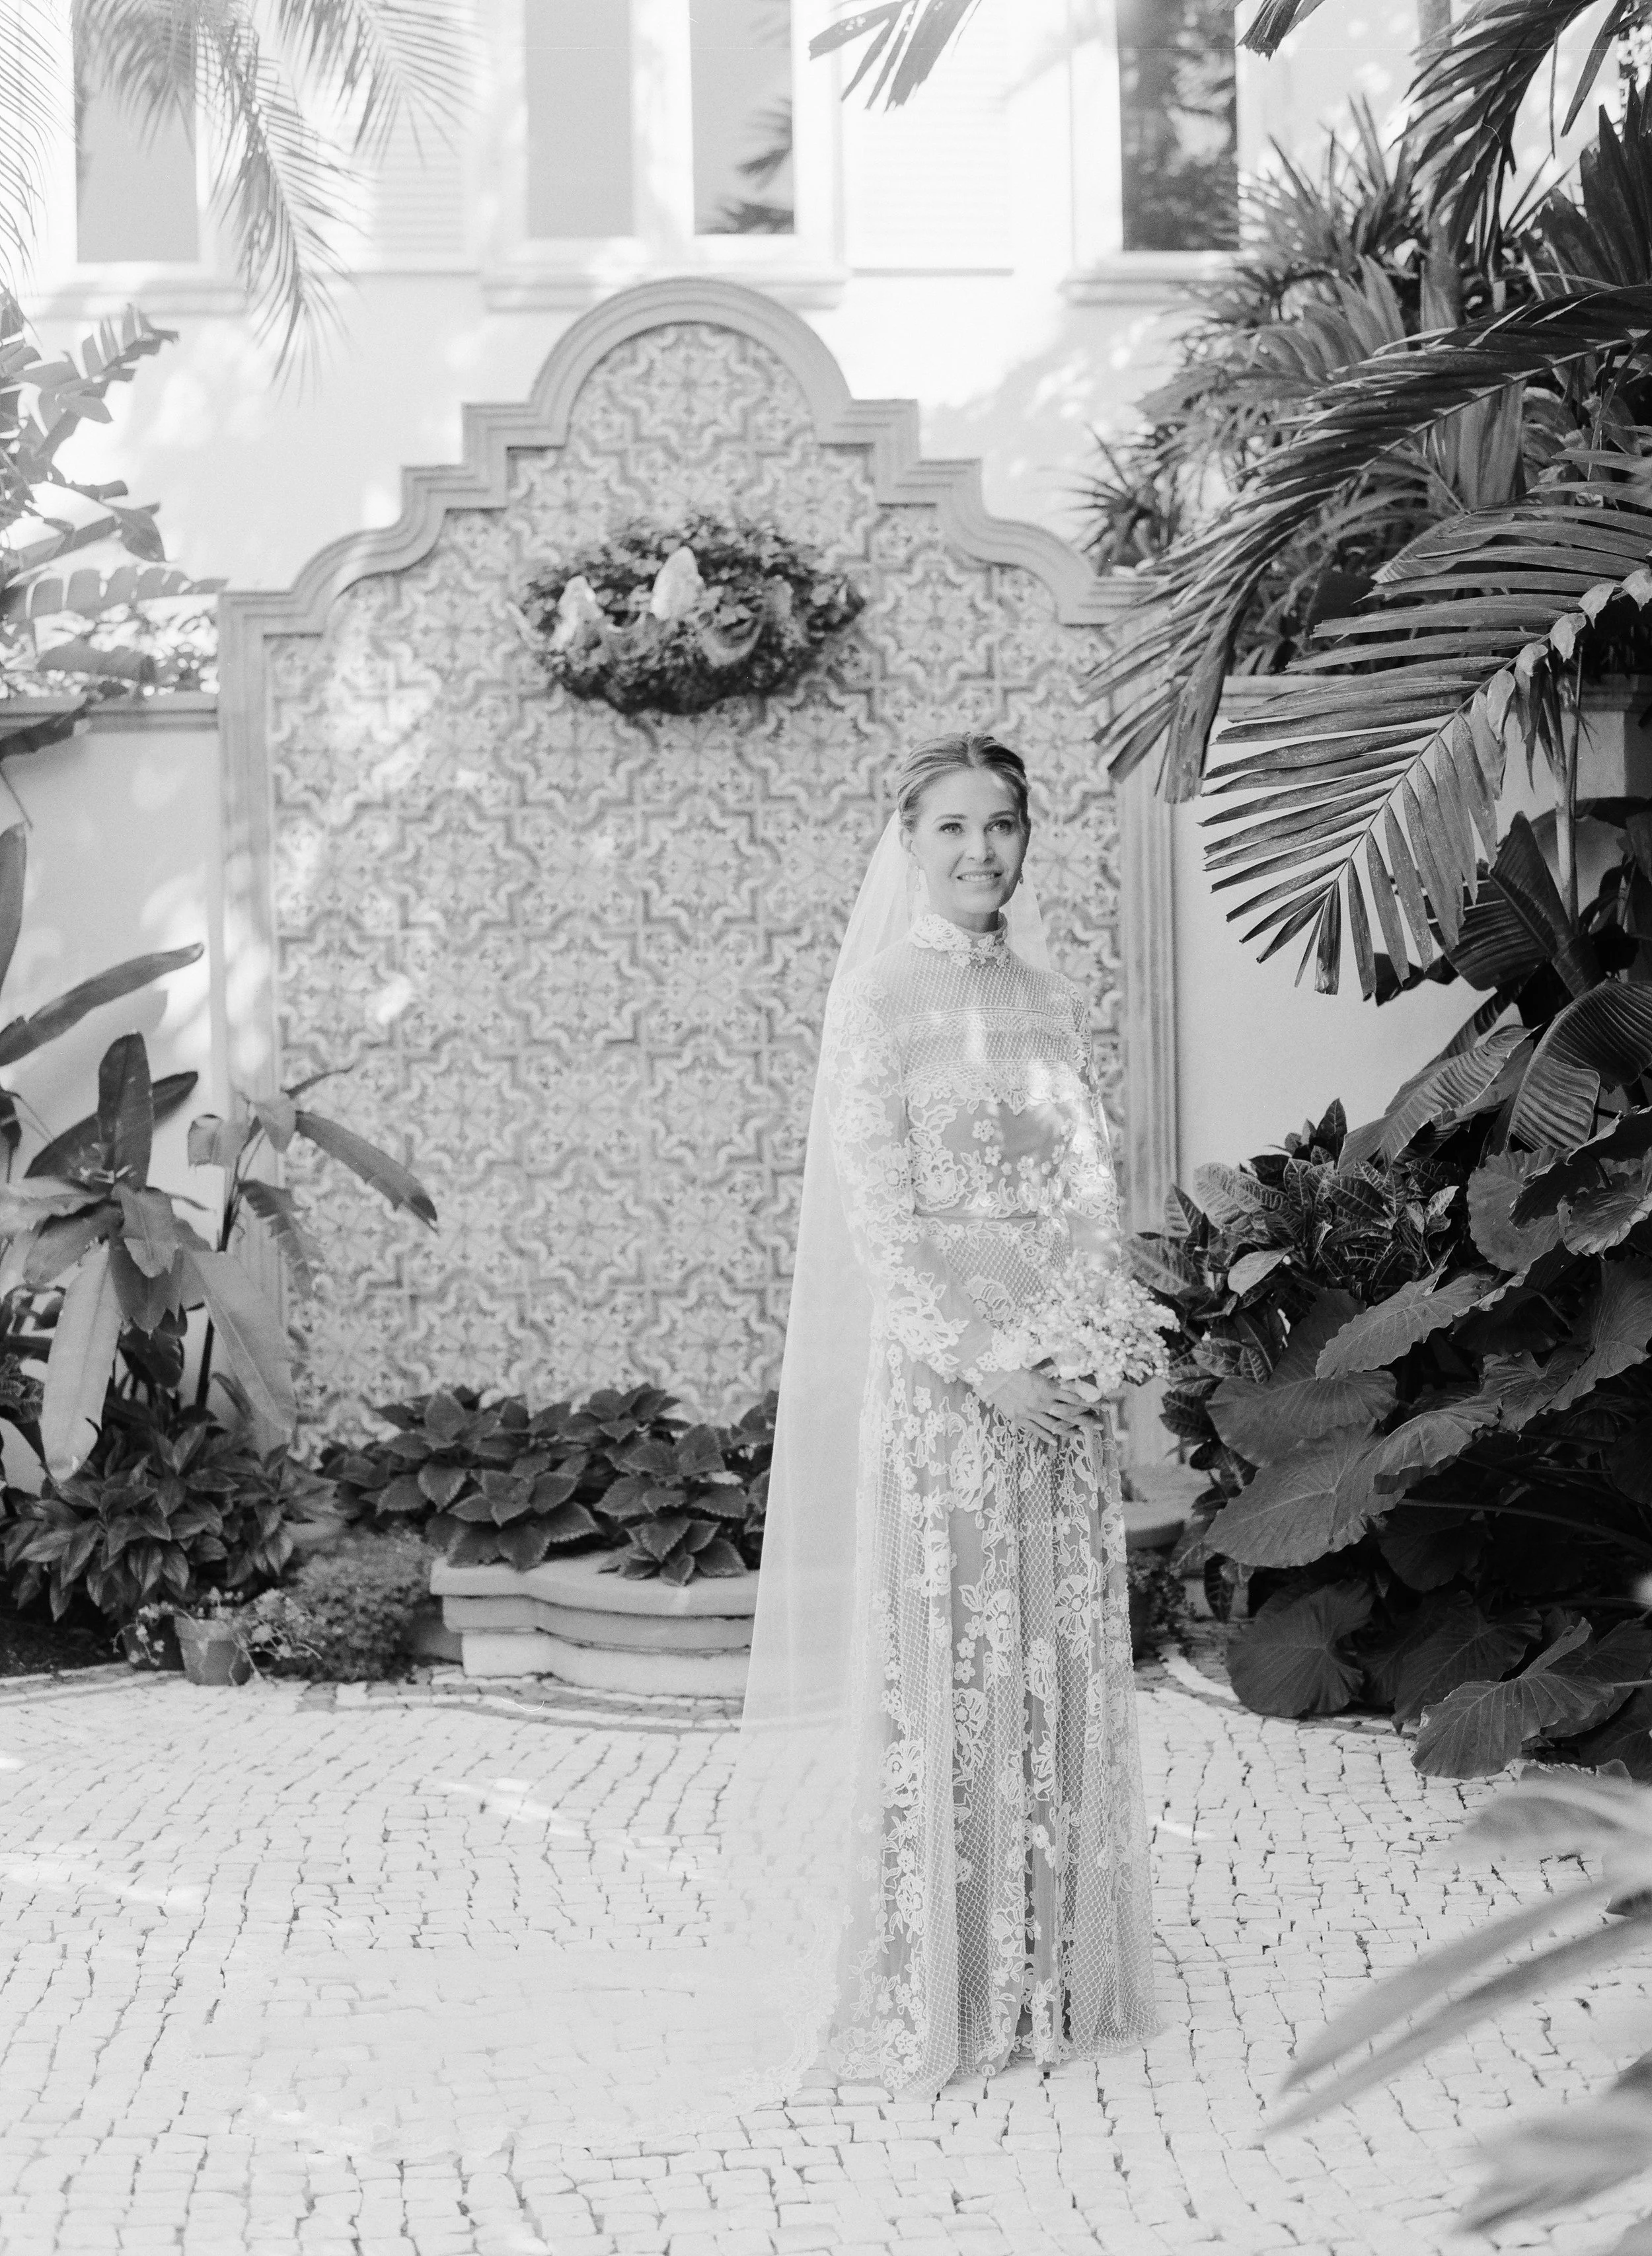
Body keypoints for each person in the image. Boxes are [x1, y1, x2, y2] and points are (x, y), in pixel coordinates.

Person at [753, 730, 1158, 2093]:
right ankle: (951, 1972)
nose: (980, 850)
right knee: (959, 1664)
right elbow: (878, 1210)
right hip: (954, 1390)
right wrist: (983, 1362)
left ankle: (1054, 1960)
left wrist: (1100, 1340)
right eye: (951, 828)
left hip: (1062, 1385)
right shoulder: (875, 1000)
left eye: (1001, 825)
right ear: (907, 843)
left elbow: (1089, 1194)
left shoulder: (1047, 996)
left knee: (1055, 1658)